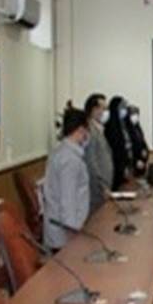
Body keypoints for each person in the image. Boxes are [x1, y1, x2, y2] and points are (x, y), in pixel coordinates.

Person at [43, 106, 91, 250]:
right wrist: (73, 235)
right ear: (81, 129)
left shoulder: (62, 152)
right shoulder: (69, 160)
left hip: (63, 231)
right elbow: (68, 200)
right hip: (65, 237)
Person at [104, 96, 131, 190]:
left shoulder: (123, 124)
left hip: (124, 167)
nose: (124, 110)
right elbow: (115, 150)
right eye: (122, 107)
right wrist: (122, 168)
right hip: (115, 169)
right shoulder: (109, 126)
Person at [126, 104, 150, 177]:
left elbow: (143, 142)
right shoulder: (126, 130)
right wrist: (135, 161)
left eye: (136, 114)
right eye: (132, 114)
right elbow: (127, 149)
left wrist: (145, 153)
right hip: (131, 165)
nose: (135, 116)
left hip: (141, 163)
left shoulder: (137, 127)